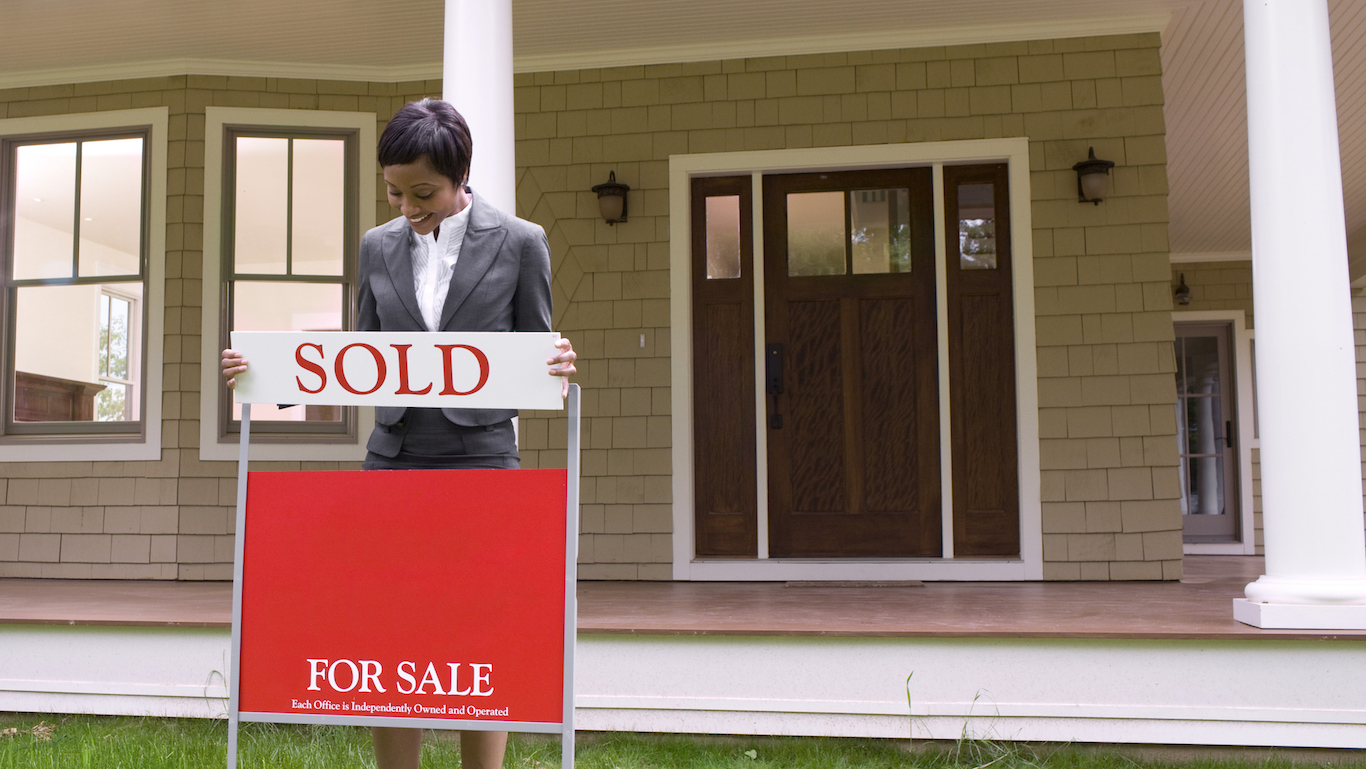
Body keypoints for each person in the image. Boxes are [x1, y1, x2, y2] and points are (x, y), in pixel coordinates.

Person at [222, 98, 575, 769]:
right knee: (390, 630)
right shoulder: (375, 247)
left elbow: (535, 349)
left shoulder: (522, 241)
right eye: (394, 191)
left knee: (478, 634)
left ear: (459, 177)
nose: (408, 207)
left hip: (482, 461)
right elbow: (360, 358)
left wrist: (554, 362)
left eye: (424, 193)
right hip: (394, 461)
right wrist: (264, 371)